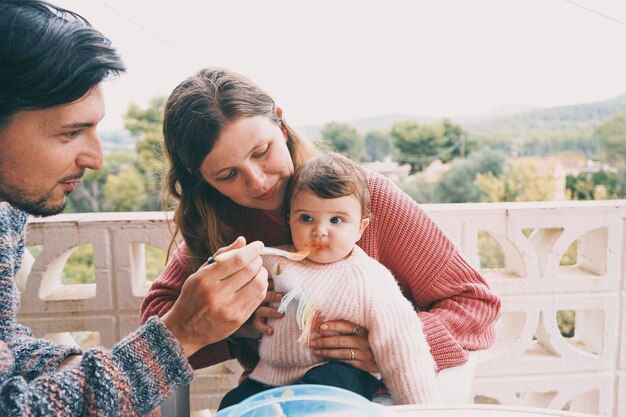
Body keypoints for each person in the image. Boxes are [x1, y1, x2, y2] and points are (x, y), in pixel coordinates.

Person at [140, 66, 501, 398]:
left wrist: (386, 345)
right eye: (228, 175)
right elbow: (157, 321)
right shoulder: (219, 223)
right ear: (199, 178)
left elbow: (475, 303)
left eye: (262, 151)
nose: (258, 180)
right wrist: (238, 326)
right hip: (273, 397)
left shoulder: (362, 198)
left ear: (280, 124)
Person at [0, 2, 268, 415]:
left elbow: (4, 348)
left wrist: (83, 368)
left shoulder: (6, 211)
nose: (96, 158)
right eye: (71, 132)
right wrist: (177, 338)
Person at [218, 152, 439, 410]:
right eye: (306, 218)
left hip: (339, 375)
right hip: (269, 377)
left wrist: (423, 409)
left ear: (360, 228)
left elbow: (402, 346)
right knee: (232, 404)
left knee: (317, 398)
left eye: (336, 220)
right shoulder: (273, 261)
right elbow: (225, 292)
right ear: (289, 219)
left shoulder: (367, 278)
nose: (319, 231)